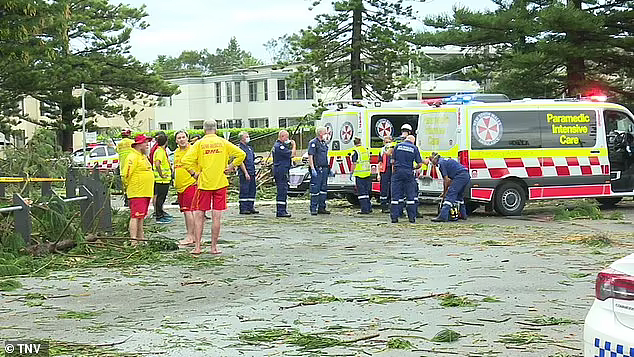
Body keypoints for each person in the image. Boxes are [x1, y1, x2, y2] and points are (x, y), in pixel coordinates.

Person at [182, 120, 246, 255]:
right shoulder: (223, 142)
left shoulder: (199, 144)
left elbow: (185, 161)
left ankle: (198, 247)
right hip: (220, 182)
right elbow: (241, 154)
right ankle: (214, 247)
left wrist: (194, 173)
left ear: (204, 130)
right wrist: (231, 166)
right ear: (216, 129)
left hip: (204, 183)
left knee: (199, 215)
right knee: (216, 217)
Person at [123, 134, 154, 245]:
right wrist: (128, 186)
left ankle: (141, 238)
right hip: (137, 192)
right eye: (145, 142)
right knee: (135, 216)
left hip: (145, 191)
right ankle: (133, 240)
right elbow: (126, 174)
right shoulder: (132, 157)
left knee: (141, 216)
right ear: (138, 144)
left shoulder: (143, 156)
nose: (147, 144)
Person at [425, 152, 471, 222]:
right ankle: (463, 215)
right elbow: (449, 180)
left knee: (451, 194)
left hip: (460, 176)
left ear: (434, 159)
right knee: (459, 196)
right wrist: (444, 191)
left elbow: (446, 180)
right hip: (465, 175)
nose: (431, 162)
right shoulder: (444, 160)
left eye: (431, 160)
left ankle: (443, 216)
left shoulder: (441, 164)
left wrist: (445, 193)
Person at [390, 135, 422, 224]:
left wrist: (394, 172)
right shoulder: (414, 148)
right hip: (408, 172)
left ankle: (394, 218)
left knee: (395, 196)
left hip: (397, 172)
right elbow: (419, 164)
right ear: (413, 141)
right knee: (410, 195)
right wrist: (414, 168)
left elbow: (392, 161)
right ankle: (412, 218)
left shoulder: (397, 146)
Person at [173, 130, 198, 245]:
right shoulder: (177, 152)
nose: (181, 139)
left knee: (189, 211)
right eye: (179, 138)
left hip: (190, 184)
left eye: (183, 137)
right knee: (185, 211)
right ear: (176, 141)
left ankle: (191, 236)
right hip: (180, 186)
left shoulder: (193, 150)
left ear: (187, 138)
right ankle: (191, 235)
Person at [272, 130, 296, 217]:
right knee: (282, 190)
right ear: (282, 136)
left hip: (281, 169)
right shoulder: (279, 147)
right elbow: (292, 154)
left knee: (283, 190)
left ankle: (282, 209)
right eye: (286, 137)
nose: (288, 139)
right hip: (281, 170)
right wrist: (294, 145)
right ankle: (281, 211)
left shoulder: (280, 146)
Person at [307, 126, 330, 215]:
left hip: (324, 168)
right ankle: (313, 208)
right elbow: (310, 156)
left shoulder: (323, 143)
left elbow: (325, 156)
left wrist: (328, 168)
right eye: (325, 133)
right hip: (317, 168)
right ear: (320, 133)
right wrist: (312, 168)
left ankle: (322, 207)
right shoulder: (313, 143)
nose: (326, 135)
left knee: (323, 189)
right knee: (315, 189)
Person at [152, 132, 172, 224]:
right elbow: (157, 164)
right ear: (166, 142)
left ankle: (160, 214)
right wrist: (161, 175)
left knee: (161, 198)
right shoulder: (160, 151)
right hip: (162, 180)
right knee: (161, 198)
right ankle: (159, 216)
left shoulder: (159, 150)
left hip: (163, 179)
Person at [237, 131, 258, 215]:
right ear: (242, 138)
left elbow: (252, 159)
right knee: (244, 190)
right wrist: (245, 173)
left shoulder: (249, 148)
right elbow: (240, 161)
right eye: (247, 136)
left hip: (252, 171)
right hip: (244, 172)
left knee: (252, 190)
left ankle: (250, 206)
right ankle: (243, 208)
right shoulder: (240, 148)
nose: (248, 138)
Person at [350, 137, 372, 214]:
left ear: (354, 143)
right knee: (367, 192)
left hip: (359, 174)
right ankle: (369, 207)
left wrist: (351, 172)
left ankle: (364, 209)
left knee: (361, 193)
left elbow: (354, 163)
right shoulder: (365, 150)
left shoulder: (355, 151)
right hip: (367, 173)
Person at [116, 128, 134, 206]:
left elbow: (117, 151)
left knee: (125, 185)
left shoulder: (119, 144)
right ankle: (131, 199)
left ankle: (126, 200)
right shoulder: (132, 142)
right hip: (131, 166)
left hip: (122, 168)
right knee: (132, 184)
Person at [377, 135, 395, 213]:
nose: (387, 143)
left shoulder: (393, 149)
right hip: (384, 171)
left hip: (392, 170)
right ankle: (384, 206)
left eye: (389, 142)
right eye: (386, 142)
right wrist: (378, 174)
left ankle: (391, 205)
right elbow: (379, 163)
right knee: (384, 188)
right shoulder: (381, 150)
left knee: (392, 188)